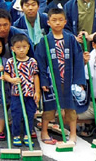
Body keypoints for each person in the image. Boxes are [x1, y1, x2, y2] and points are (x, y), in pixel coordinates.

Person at [34, 8, 86, 145]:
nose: (57, 23)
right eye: (54, 20)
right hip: (51, 81)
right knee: (49, 109)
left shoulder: (71, 40)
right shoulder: (44, 41)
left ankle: (73, 134)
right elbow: (40, 62)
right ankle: (44, 132)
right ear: (48, 22)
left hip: (69, 80)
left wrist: (79, 81)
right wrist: (43, 81)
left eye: (60, 20)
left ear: (65, 21)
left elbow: (79, 61)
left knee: (71, 108)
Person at [2, 34, 40, 147]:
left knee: (29, 114)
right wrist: (12, 79)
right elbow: (5, 75)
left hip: (30, 93)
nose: (21, 50)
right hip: (16, 94)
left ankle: (27, 134)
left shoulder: (32, 61)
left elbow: (36, 76)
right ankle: (16, 135)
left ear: (28, 47)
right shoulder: (11, 61)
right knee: (16, 114)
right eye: (18, 47)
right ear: (12, 49)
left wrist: (37, 92)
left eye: (24, 47)